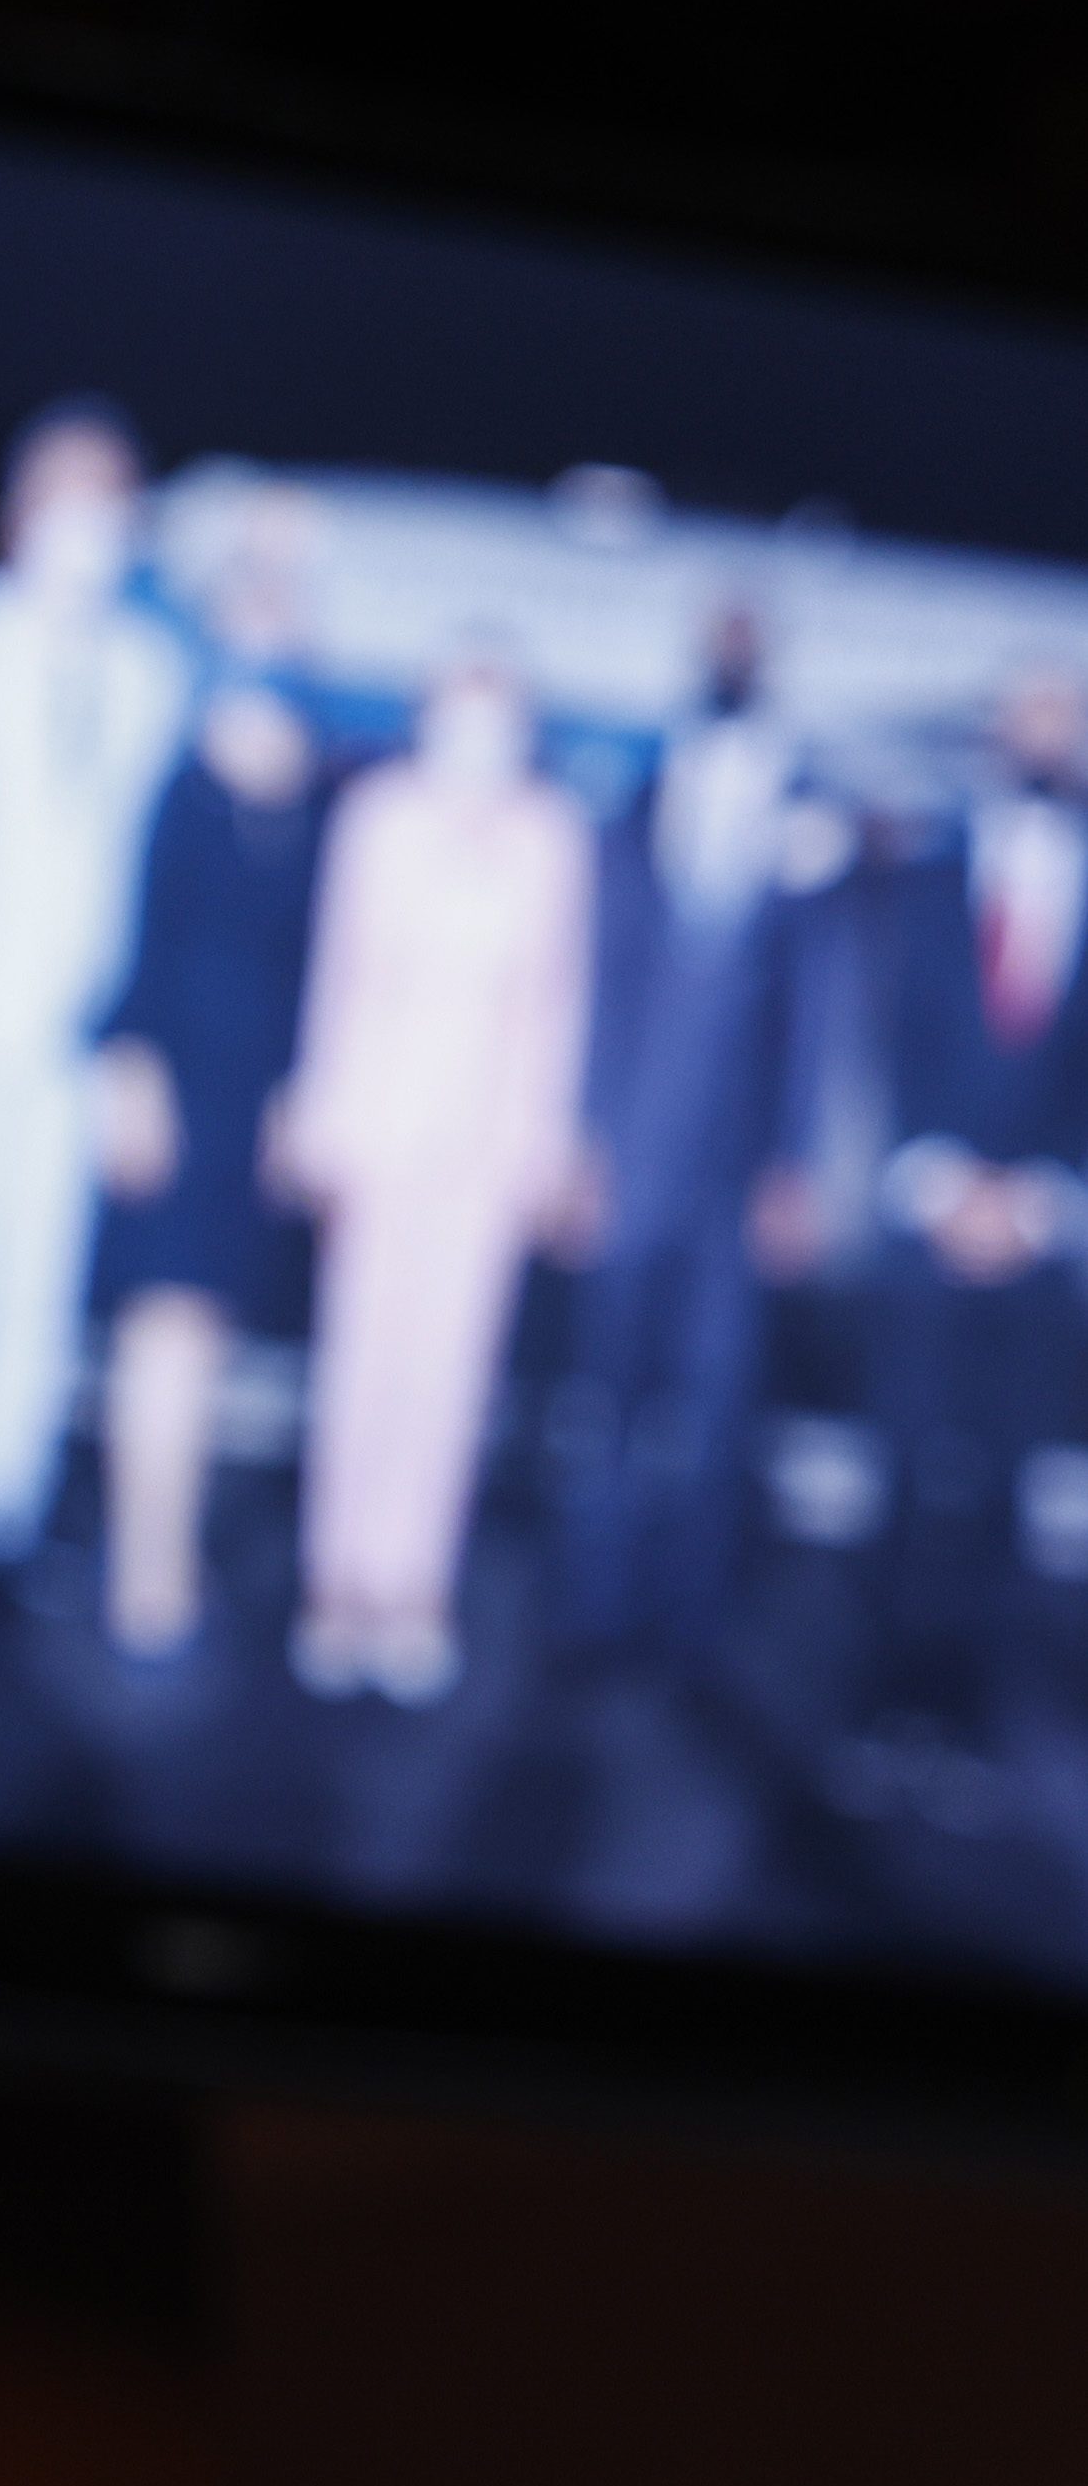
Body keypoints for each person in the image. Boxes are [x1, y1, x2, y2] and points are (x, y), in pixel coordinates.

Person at [0, 407, 195, 1582]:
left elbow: (155, 864)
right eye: (70, 497)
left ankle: (5, 1511)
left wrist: (131, 1034)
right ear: (22, 513)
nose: (92, 524)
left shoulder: (152, 672)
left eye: (113, 500)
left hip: (82, 1024)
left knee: (40, 1277)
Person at [264, 650, 597, 1705]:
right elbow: (340, 969)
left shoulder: (551, 834)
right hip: (377, 1125)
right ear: (428, 723)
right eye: (458, 721)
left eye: (494, 724)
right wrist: (318, 1115)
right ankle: (336, 1584)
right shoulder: (378, 816)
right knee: (360, 1359)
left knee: (452, 1376)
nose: (474, 744)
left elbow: (555, 1002)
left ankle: (413, 1592)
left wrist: (542, 1145)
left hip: (485, 1147)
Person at [549, 594, 827, 1654]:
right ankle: (591, 1600)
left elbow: (818, 1007)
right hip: (626, 1152)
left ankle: (693, 1616)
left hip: (738, 1164)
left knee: (720, 1400)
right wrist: (577, 1139)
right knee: (607, 1393)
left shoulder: (813, 815)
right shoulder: (630, 802)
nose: (734, 654)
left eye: (752, 639)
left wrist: (795, 1166)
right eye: (720, 637)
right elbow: (588, 987)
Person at [85, 500, 337, 1664]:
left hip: (256, 1095)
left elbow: (316, 965)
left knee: (211, 1333)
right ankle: (147, 1572)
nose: (270, 617)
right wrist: (129, 1068)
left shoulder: (315, 783)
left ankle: (166, 1555)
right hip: (175, 1080)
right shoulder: (178, 769)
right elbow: (138, 932)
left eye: (290, 599)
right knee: (165, 1330)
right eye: (256, 592)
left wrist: (298, 1093)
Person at [846, 660, 1088, 1734]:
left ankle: (966, 1714)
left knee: (1003, 1490)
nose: (1043, 733)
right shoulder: (927, 875)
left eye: (1064, 716)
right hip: (927, 1222)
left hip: (1044, 1240)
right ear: (997, 732)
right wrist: (945, 1192)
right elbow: (891, 1044)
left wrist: (1034, 1204)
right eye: (1027, 712)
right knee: (899, 1472)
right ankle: (878, 1704)